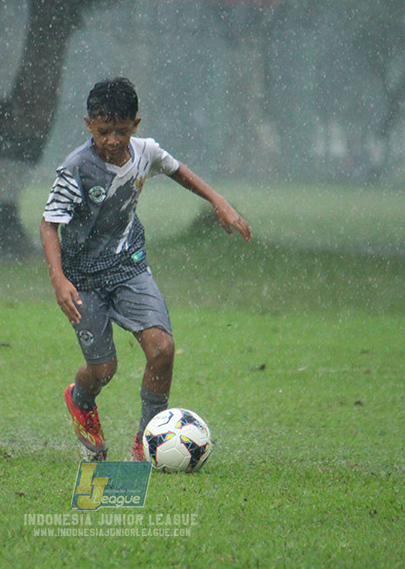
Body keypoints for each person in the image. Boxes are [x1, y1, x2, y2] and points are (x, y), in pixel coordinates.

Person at [40, 77, 251, 461]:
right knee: (103, 369)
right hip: (83, 278)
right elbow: (48, 223)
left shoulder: (145, 152)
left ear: (135, 125)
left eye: (122, 131)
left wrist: (218, 200)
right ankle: (80, 399)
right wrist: (59, 279)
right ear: (89, 125)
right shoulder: (76, 169)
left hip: (128, 266)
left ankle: (147, 440)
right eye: (104, 131)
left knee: (162, 349)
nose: (113, 141)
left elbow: (177, 170)